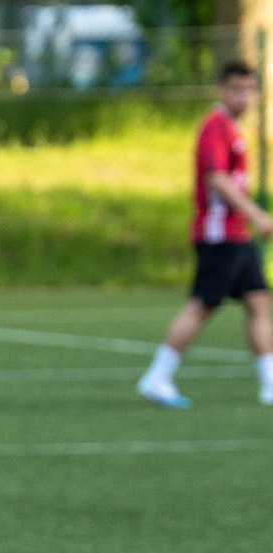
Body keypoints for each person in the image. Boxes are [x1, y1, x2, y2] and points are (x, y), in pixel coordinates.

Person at [139, 60, 273, 409]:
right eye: (236, 89)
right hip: (219, 234)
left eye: (249, 90)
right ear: (221, 90)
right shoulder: (214, 126)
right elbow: (217, 179)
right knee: (202, 305)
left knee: (258, 301)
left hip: (237, 234)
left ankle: (270, 383)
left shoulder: (233, 127)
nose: (244, 97)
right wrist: (257, 213)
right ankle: (158, 376)